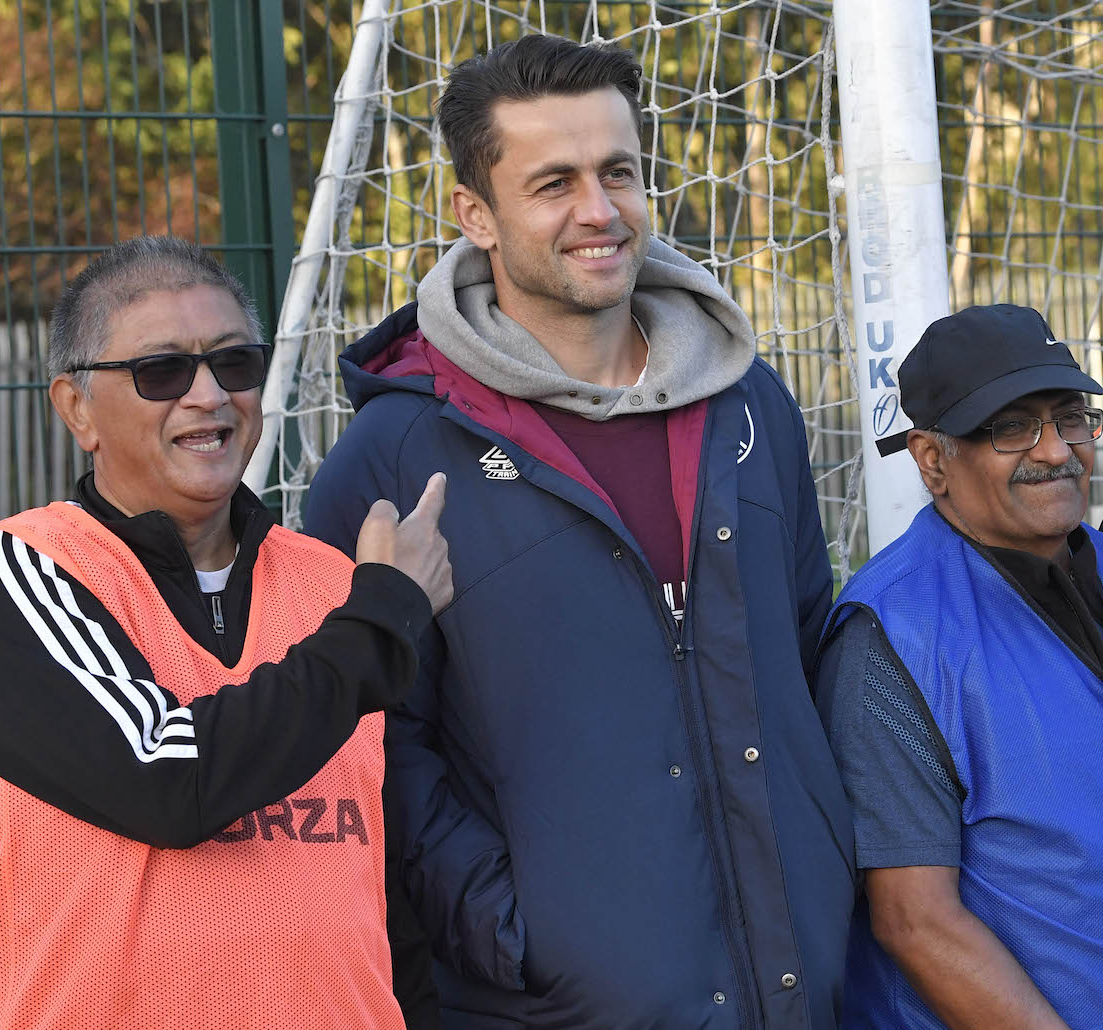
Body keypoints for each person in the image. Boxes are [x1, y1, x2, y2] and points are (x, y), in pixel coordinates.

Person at [300, 34, 852, 1029]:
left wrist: (828, 877)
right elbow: (378, 749)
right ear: (476, 214)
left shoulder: (749, 406)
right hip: (559, 1002)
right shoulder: (392, 456)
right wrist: (520, 932)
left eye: (619, 173)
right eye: (553, 182)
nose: (598, 212)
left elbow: (809, 651)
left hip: (797, 981)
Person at [0, 236, 453, 1029]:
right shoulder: (18, 570)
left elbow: (381, 895)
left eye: (234, 364)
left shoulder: (334, 587)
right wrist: (381, 622)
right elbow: (166, 780)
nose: (208, 395)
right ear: (76, 409)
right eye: (161, 371)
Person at [815, 303, 1103, 1029]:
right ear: (931, 459)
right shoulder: (891, 638)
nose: (1056, 451)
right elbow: (915, 923)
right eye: (1012, 426)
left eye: (1070, 417)